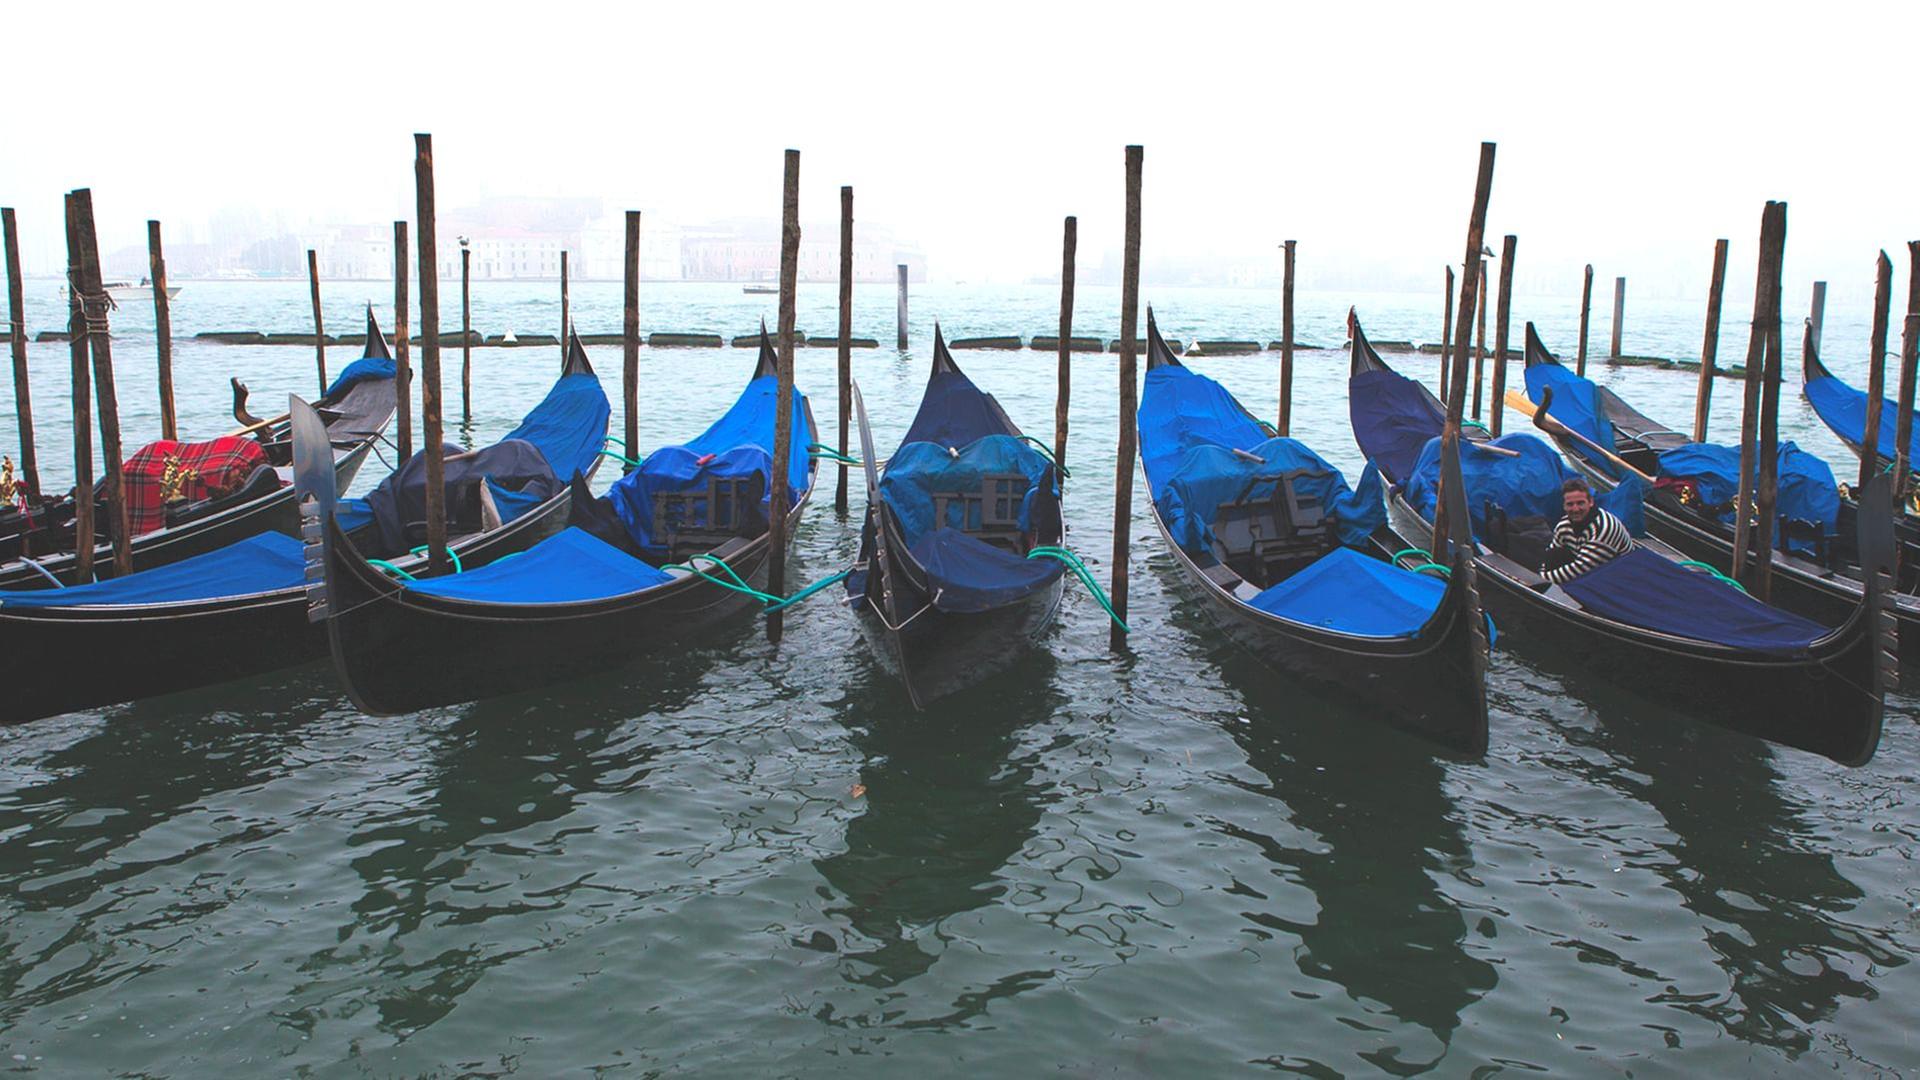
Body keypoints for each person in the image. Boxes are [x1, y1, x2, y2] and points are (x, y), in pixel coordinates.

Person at [1538, 476, 1632, 586]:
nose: (1576, 509)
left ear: (1591, 502)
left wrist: (1541, 580)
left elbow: (1580, 569)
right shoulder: (1564, 525)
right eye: (1570, 504)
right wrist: (1542, 573)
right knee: (1554, 553)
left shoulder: (1602, 529)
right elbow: (1551, 553)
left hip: (1617, 576)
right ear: (1564, 506)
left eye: (1580, 503)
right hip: (1585, 562)